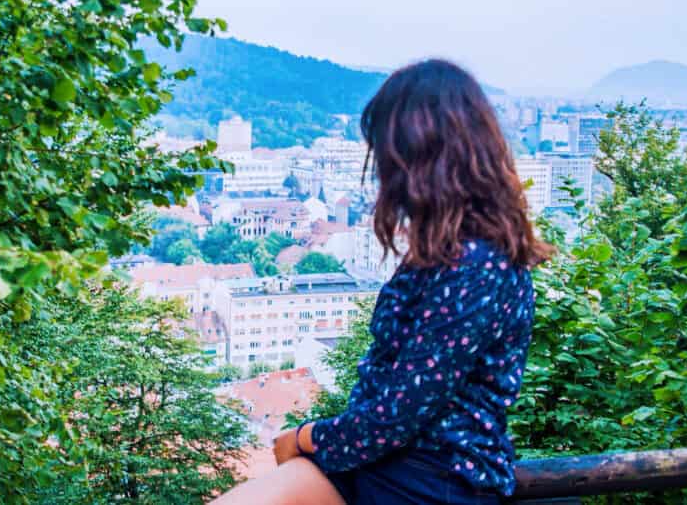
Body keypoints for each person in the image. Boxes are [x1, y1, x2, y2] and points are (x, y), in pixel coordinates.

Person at [210, 59, 553, 505]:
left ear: (422, 155)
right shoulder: (463, 253)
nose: (382, 172)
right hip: (399, 469)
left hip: (430, 482)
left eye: (390, 154)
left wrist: (303, 437)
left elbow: (397, 415)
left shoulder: (475, 263)